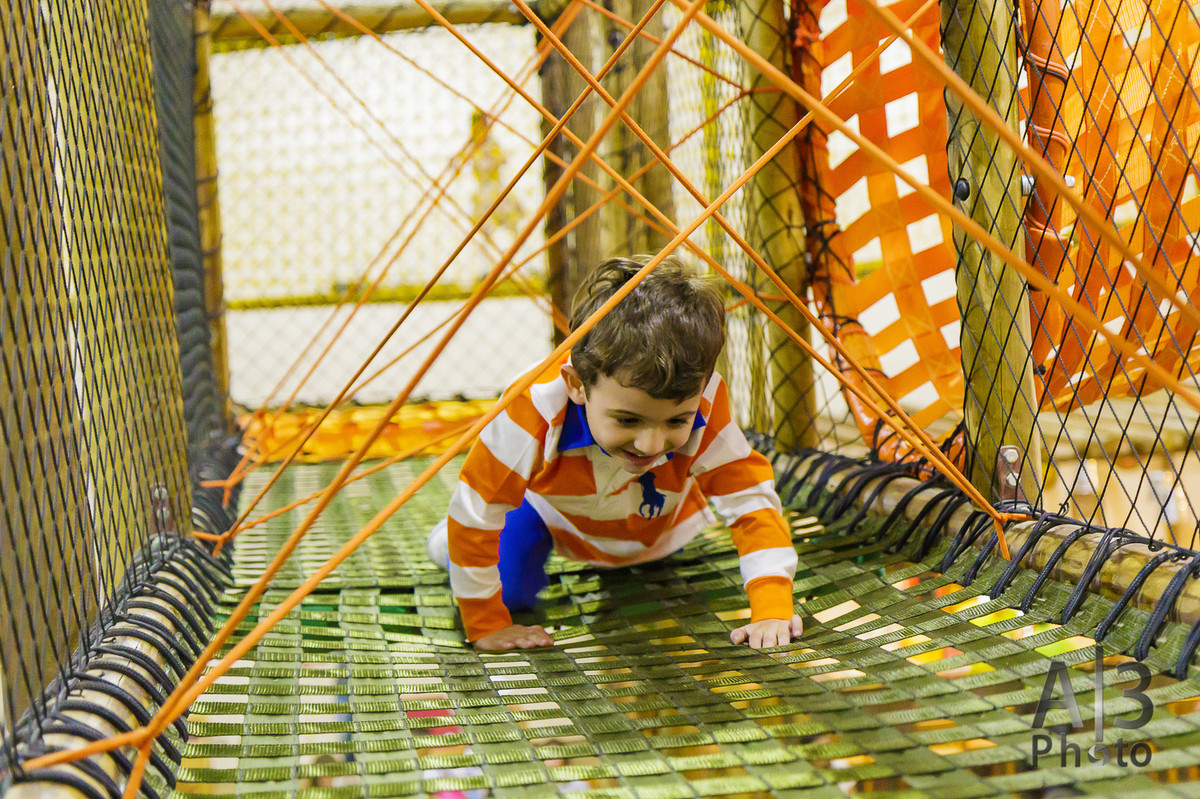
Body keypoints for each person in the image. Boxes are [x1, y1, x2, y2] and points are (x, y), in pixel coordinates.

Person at [426, 255, 803, 651]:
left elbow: (749, 497)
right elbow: (476, 510)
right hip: (550, 512)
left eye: (677, 421)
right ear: (576, 385)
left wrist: (773, 607)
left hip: (650, 526)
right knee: (511, 591)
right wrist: (485, 624)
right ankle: (445, 545)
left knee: (644, 572)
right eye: (627, 420)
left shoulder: (705, 400)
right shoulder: (531, 407)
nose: (651, 447)